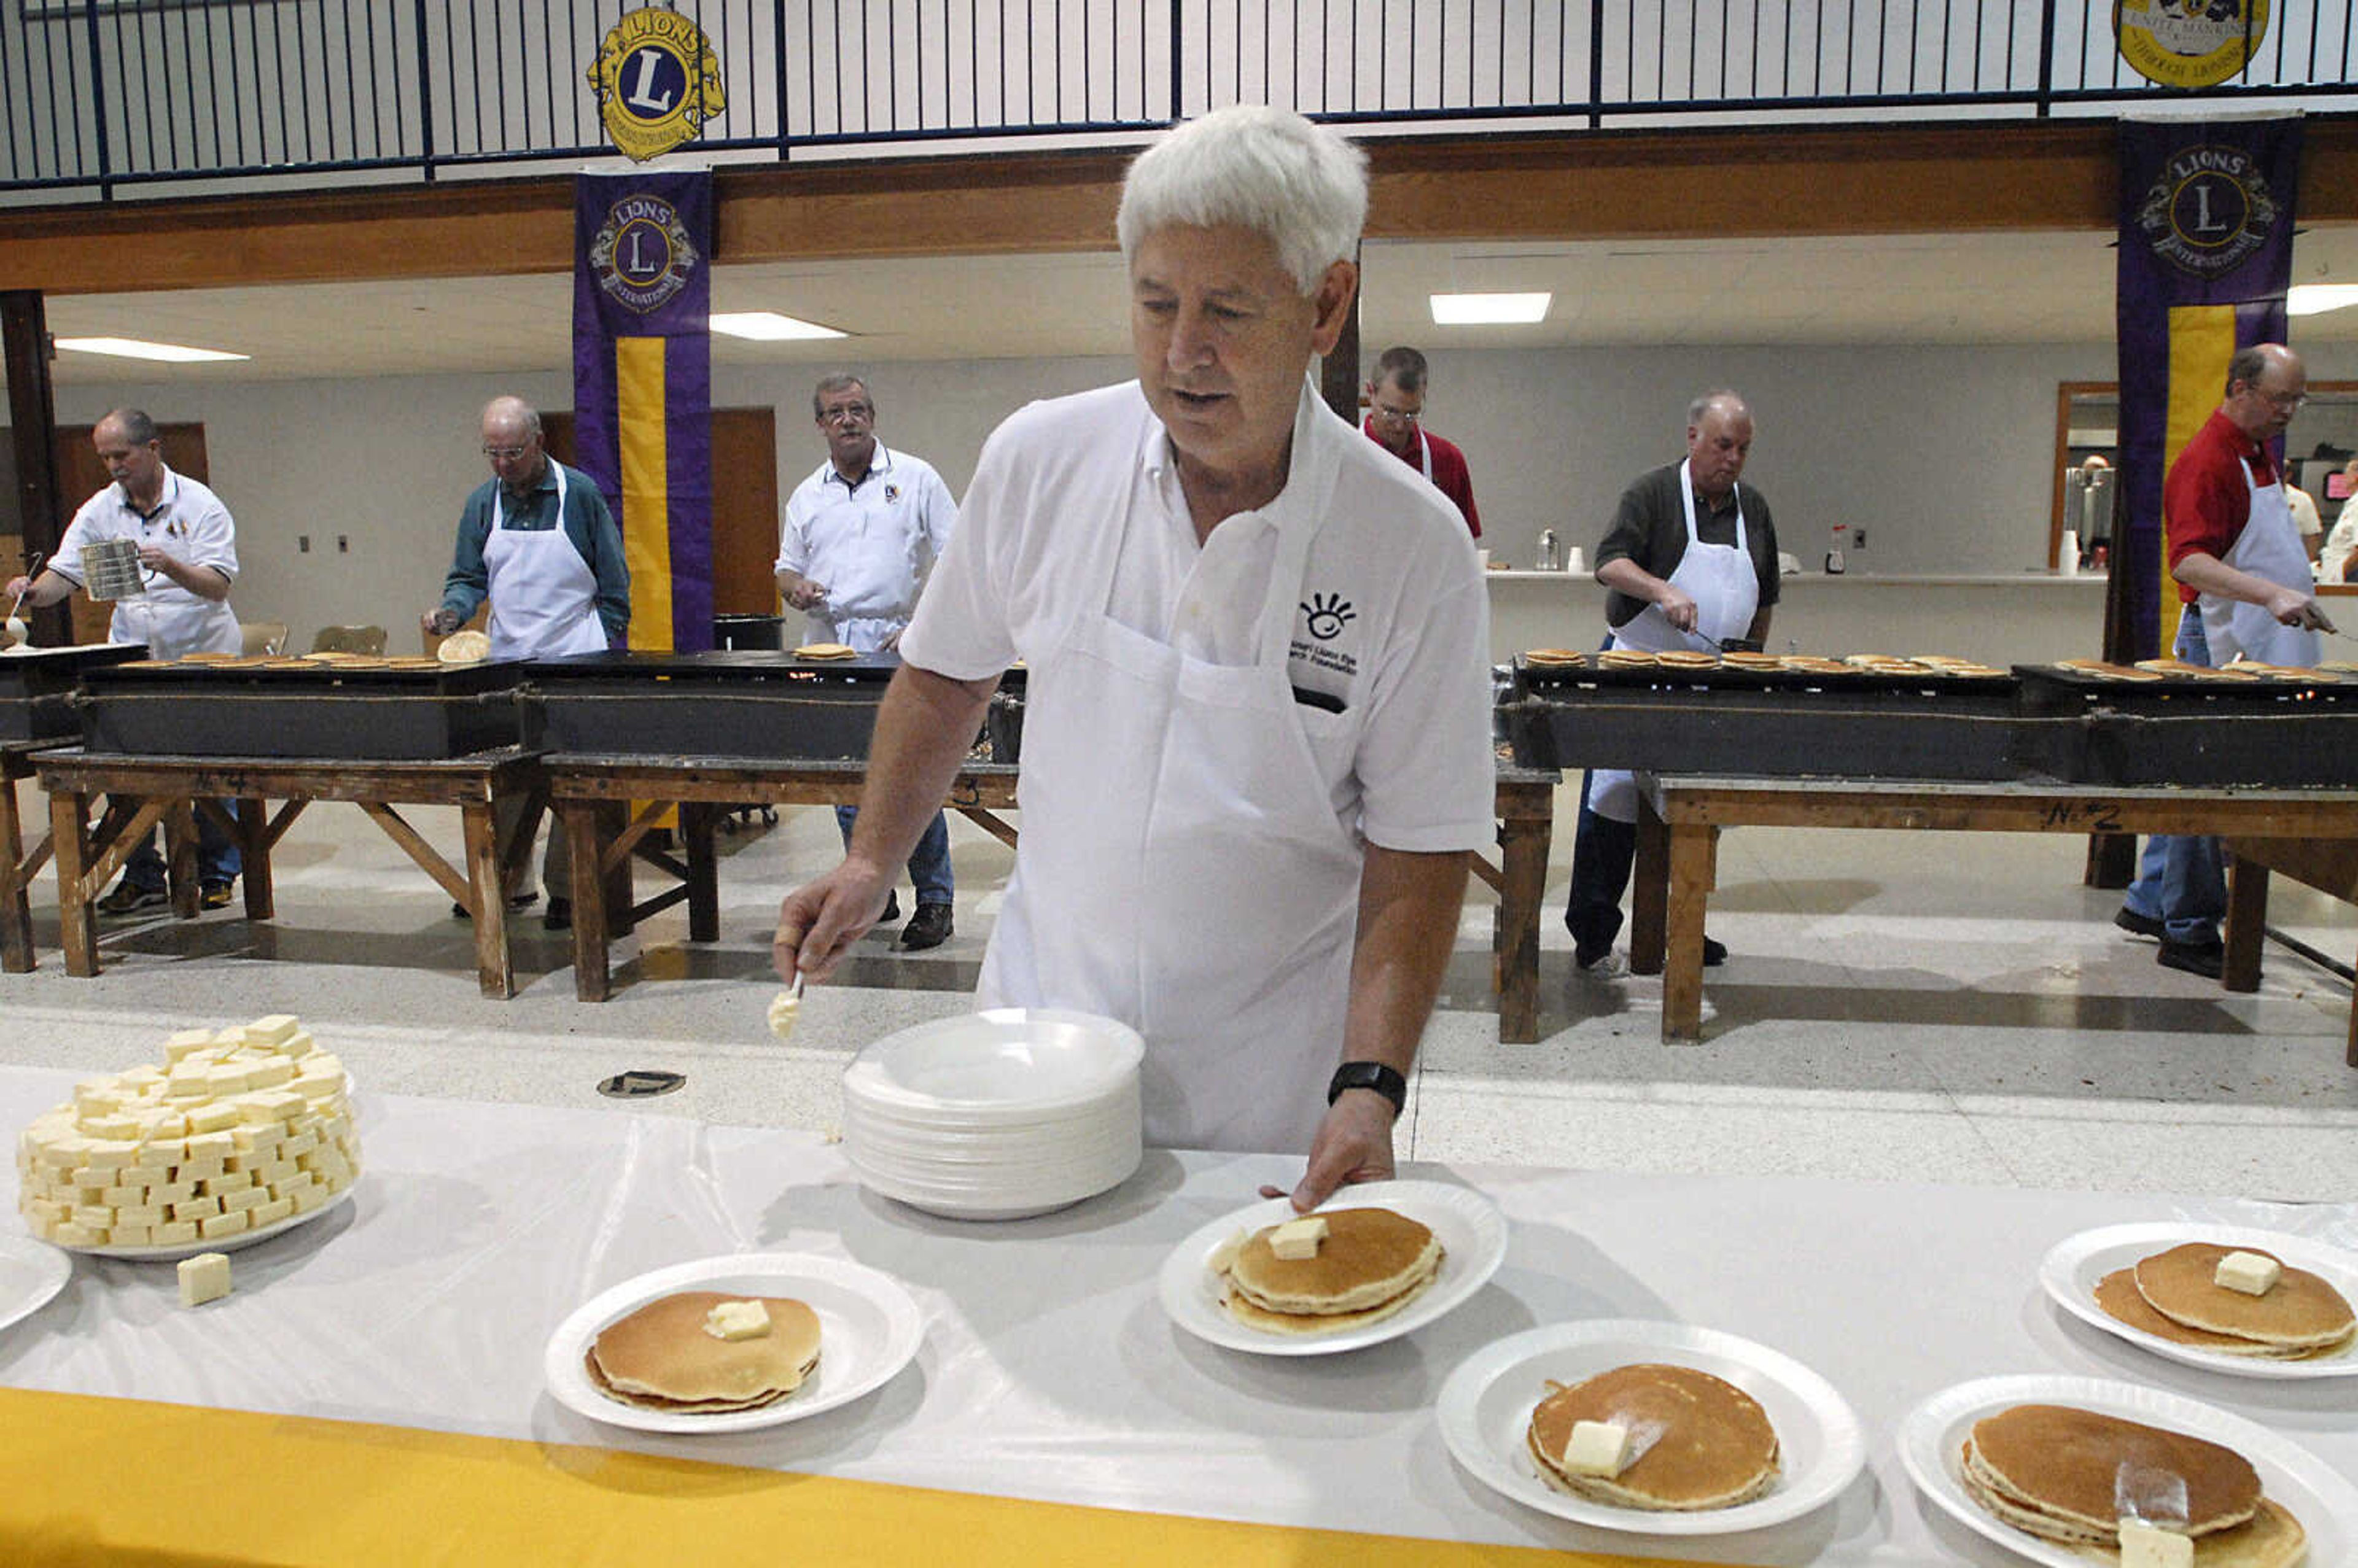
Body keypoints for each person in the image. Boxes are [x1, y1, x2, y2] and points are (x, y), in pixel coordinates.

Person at [772, 104, 1493, 1211]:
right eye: (1155, 303)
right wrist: (874, 856)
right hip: (1037, 1059)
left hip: (1266, 1101)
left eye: (1228, 310)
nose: (1181, 352)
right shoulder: (1042, 460)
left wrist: (1370, 1084)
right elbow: (947, 670)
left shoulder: (1412, 544)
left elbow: (1422, 840)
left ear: (1328, 304)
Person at [2116, 344, 2333, 979]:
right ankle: (2188, 931)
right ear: (2239, 388)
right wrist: (2271, 593)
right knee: (2209, 785)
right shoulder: (2207, 460)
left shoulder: (2258, 450)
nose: (2289, 411)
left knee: (2199, 772)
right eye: (2279, 399)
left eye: (2298, 399)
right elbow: (2188, 561)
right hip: (2221, 638)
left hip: (2258, 632)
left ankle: (2150, 902)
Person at [1562, 391, 1780, 976]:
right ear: (1692, 438)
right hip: (1639, 665)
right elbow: (1610, 563)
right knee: (1612, 810)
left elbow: (1767, 593)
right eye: (1722, 445)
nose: (1732, 459)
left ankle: (1680, 926)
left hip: (1711, 679)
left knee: (1692, 811)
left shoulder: (1752, 510)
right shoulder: (1653, 493)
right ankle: (1594, 936)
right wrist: (1663, 590)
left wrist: (1750, 659)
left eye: (1743, 449)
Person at [9, 409, 243, 913]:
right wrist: (30, 594)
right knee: (124, 771)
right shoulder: (99, 509)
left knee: (210, 769)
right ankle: (142, 876)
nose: (114, 466)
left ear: (153, 449)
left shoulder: (201, 504)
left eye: (122, 455)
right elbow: (63, 576)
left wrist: (173, 565)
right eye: (105, 457)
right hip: (133, 651)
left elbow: (218, 583)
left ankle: (217, 872)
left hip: (199, 651)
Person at [422, 396, 629, 931]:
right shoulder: (481, 503)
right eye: (491, 453)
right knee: (505, 776)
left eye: (512, 452)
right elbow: (469, 578)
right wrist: (452, 613)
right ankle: (510, 879)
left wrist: (604, 643)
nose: (503, 464)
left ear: (539, 442)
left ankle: (569, 889)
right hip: (508, 659)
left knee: (569, 781)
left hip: (574, 656)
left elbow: (614, 581)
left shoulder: (578, 495)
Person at [774, 374, 961, 951]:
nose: (849, 420)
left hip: (900, 645)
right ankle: (874, 890)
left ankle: (935, 899)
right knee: (847, 778)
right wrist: (795, 587)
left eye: (858, 410)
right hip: (831, 646)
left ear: (873, 416)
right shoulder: (808, 495)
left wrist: (922, 627)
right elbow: (784, 568)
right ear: (821, 425)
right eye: (836, 413)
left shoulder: (915, 478)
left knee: (908, 778)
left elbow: (958, 556)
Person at [1361, 346, 1480, 538]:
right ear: (1370, 393)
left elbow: (1465, 543)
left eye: (1411, 414)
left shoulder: (1448, 460)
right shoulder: (1344, 456)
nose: (1400, 426)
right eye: (1390, 412)